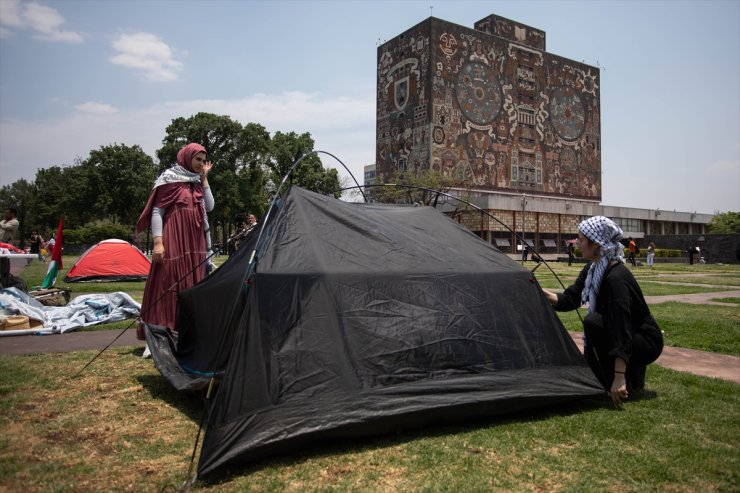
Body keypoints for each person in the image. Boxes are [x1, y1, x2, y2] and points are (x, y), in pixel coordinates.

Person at [540, 216, 663, 406]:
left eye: (581, 239)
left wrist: (619, 376)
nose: (578, 243)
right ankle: (630, 378)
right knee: (595, 323)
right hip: (627, 332)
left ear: (596, 244)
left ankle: (620, 378)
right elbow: (570, 299)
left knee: (594, 323)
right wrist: (537, 292)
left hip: (645, 339)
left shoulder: (616, 277)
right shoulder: (593, 269)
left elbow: (620, 325)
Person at [136, 143, 214, 341]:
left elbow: (210, 207)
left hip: (195, 242)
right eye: (198, 159)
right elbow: (157, 211)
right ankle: (157, 335)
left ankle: (185, 332)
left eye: (204, 161)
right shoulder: (169, 179)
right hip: (174, 237)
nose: (201, 164)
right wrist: (158, 242)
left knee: (192, 284)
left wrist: (204, 179)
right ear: (186, 157)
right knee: (166, 283)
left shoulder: (197, 182)